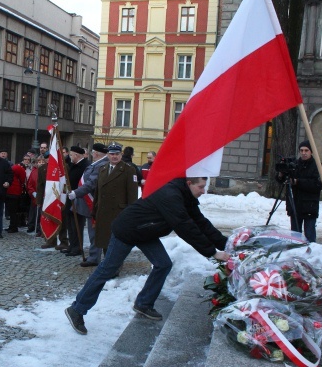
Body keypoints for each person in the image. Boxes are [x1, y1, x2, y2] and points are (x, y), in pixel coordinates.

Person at [65, 177, 230, 335]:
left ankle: (143, 303)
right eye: (200, 187)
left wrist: (227, 244)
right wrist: (213, 252)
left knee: (163, 264)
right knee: (108, 269)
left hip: (146, 231)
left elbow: (201, 223)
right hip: (127, 230)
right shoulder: (171, 195)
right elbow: (185, 228)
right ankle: (77, 309)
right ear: (189, 183)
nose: (203, 191)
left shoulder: (186, 196)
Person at [67, 143, 109, 267]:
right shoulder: (96, 164)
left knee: (94, 232)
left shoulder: (101, 165)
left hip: (94, 202)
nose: (91, 154)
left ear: (96, 153)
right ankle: (93, 256)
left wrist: (76, 193)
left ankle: (94, 257)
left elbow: (91, 183)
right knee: (93, 232)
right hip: (88, 200)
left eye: (92, 152)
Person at [93, 144, 139, 253]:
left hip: (118, 212)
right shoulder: (102, 169)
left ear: (121, 155)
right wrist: (95, 210)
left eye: (117, 154)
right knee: (105, 240)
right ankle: (107, 263)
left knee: (116, 241)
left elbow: (132, 195)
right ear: (108, 155)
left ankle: (115, 265)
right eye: (112, 154)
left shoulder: (129, 170)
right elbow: (98, 192)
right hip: (103, 211)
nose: (114, 156)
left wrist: (130, 215)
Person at [276, 140, 322, 242]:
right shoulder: (294, 165)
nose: (303, 153)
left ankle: (310, 253)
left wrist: (298, 182)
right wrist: (281, 174)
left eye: (306, 150)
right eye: (301, 150)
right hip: (295, 205)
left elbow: (317, 184)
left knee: (309, 235)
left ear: (311, 152)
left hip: (310, 206)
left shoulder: (317, 166)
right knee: (295, 236)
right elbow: (282, 180)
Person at [63, 146, 89, 257]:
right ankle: (72, 245)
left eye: (71, 155)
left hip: (79, 198)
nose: (70, 157)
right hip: (70, 197)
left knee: (77, 224)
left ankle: (77, 247)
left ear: (76, 155)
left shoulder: (85, 166)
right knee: (70, 223)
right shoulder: (74, 165)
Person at [5, 158, 27, 233]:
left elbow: (22, 179)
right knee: (12, 211)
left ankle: (13, 227)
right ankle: (12, 226)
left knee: (12, 211)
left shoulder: (15, 168)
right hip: (13, 192)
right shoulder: (16, 168)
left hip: (13, 192)